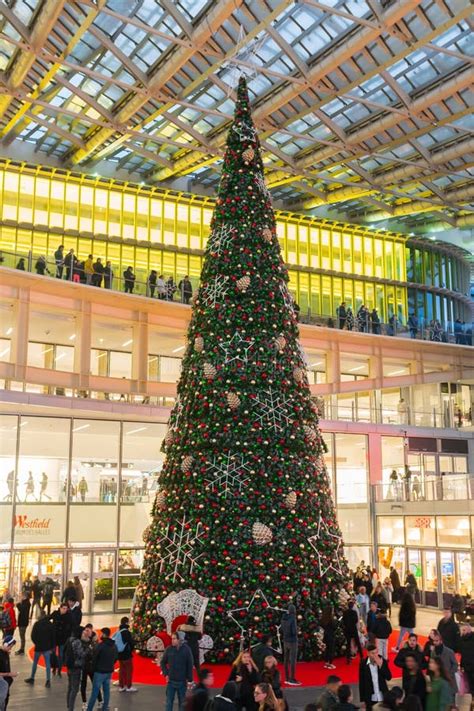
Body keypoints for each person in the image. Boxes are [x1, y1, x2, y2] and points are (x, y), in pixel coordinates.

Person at [85, 627, 118, 711]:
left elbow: (95, 658)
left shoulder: (100, 646)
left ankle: (89, 709)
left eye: (101, 633)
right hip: (109, 672)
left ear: (104, 634)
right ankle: (105, 708)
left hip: (99, 672)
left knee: (95, 693)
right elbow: (115, 658)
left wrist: (94, 668)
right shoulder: (114, 645)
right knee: (106, 691)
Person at [161, 631, 194, 711]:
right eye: (172, 638)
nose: (172, 640)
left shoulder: (186, 650)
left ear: (180, 640)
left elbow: (190, 665)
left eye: (174, 639)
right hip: (171, 682)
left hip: (182, 682)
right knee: (169, 702)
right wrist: (166, 674)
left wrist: (190, 680)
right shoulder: (169, 649)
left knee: (182, 704)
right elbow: (163, 662)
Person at [24, 612, 55, 687]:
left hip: (38, 647)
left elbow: (33, 636)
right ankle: (48, 681)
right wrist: (51, 647)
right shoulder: (50, 625)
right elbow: (53, 637)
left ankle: (32, 677)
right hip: (47, 648)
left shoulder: (37, 624)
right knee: (48, 664)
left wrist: (36, 643)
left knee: (35, 663)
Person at [359, 644, 392, 711]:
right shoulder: (363, 664)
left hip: (382, 694)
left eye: (376, 652)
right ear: (368, 653)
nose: (375, 655)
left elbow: (389, 677)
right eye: (372, 653)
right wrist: (363, 699)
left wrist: (381, 666)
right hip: (370, 696)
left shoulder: (383, 661)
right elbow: (361, 681)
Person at [65, 626, 87, 711]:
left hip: (69, 666)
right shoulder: (77, 642)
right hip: (76, 667)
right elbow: (82, 654)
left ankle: (68, 705)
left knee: (70, 687)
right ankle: (71, 708)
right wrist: (88, 649)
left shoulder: (69, 639)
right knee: (75, 689)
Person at [113, 616, 136, 693]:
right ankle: (129, 686)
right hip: (126, 654)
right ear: (126, 622)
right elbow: (131, 643)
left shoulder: (119, 631)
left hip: (120, 654)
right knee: (129, 669)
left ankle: (121, 686)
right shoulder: (126, 632)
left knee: (122, 670)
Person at [80, 625, 102, 708]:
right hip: (84, 666)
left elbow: (97, 652)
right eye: (86, 630)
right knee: (83, 684)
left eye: (88, 630)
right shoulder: (82, 641)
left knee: (95, 684)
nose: (87, 632)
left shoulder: (95, 641)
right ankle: (84, 702)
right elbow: (82, 653)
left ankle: (100, 700)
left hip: (92, 666)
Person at [281, 602, 300, 685]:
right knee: (292, 660)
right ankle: (292, 678)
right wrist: (298, 630)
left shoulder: (283, 618)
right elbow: (294, 631)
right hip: (292, 641)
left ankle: (287, 677)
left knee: (286, 659)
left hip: (285, 640)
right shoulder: (293, 619)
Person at [0, 636, 17, 709]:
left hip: (5, 685)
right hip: (1, 685)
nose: (11, 648)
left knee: (5, 701)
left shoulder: (5, 653)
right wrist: (9, 674)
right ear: (6, 645)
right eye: (10, 646)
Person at [457, 622, 474, 694]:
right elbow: (462, 654)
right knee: (470, 685)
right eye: (462, 630)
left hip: (472, 665)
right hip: (467, 666)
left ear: (469, 630)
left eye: (464, 630)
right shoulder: (462, 640)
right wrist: (461, 665)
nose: (462, 632)